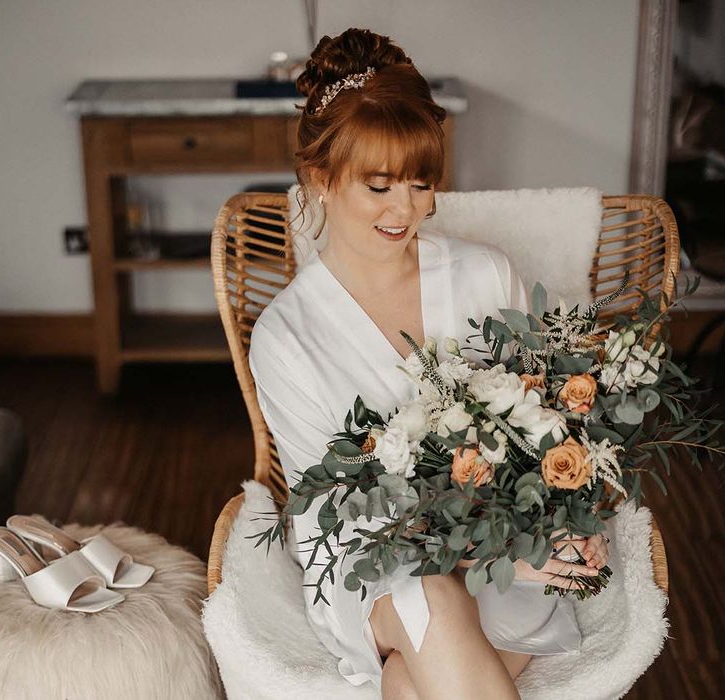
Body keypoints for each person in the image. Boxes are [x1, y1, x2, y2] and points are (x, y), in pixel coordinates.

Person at [248, 27, 610, 700]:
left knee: (414, 689)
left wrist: (562, 528)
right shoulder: (286, 337)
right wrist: (507, 555)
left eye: (421, 184)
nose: (406, 210)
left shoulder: (485, 275)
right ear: (320, 181)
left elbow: (549, 428)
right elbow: (340, 518)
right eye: (379, 186)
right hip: (378, 571)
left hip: (505, 558)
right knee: (427, 597)